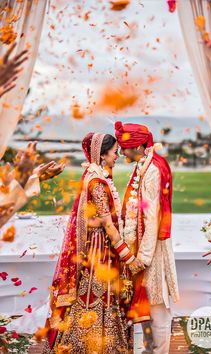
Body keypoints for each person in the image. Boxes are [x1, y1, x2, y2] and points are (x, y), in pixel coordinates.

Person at [43, 132, 142, 354]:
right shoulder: (97, 181)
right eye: (114, 152)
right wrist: (128, 256)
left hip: (98, 244)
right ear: (102, 153)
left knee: (95, 293)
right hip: (99, 247)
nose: (117, 156)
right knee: (97, 293)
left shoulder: (95, 175)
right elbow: (107, 224)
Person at [115, 121, 179, 354]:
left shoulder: (152, 169)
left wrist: (142, 257)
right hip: (145, 244)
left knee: (157, 304)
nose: (122, 152)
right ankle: (149, 350)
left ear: (139, 147)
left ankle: (158, 351)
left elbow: (152, 215)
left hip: (152, 249)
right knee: (146, 302)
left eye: (125, 148)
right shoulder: (148, 163)